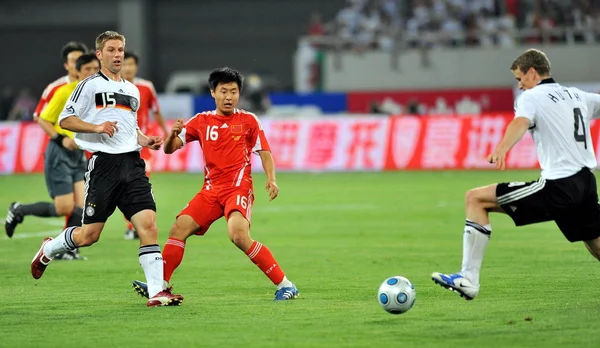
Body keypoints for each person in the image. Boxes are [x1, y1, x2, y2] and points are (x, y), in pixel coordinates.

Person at [29, 30, 183, 307]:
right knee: (89, 235)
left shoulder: (132, 90)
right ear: (99, 54)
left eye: (120, 50)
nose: (117, 55)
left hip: (133, 165)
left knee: (148, 226)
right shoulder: (88, 86)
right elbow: (66, 120)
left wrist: (145, 139)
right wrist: (96, 127)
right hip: (104, 166)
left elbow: (129, 128)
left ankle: (157, 292)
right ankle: (49, 249)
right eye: (111, 50)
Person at [432, 48, 600, 300]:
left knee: (476, 199)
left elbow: (520, 122)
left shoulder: (533, 96)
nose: (520, 85)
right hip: (586, 181)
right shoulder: (577, 95)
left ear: (532, 73)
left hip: (559, 185)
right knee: (593, 239)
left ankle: (468, 279)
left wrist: (501, 148)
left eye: (519, 78)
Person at [131, 67, 299, 301]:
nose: (229, 96)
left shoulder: (248, 120)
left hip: (238, 188)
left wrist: (271, 179)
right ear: (213, 93)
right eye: (223, 91)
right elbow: (170, 148)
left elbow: (265, 151)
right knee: (179, 228)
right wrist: (172, 134)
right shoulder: (201, 121)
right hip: (210, 191)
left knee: (238, 236)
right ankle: (161, 285)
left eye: (233, 91)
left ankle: (286, 285)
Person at [5, 54, 100, 259]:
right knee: (64, 207)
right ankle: (20, 209)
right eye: (87, 69)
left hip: (79, 154)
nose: (92, 73)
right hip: (60, 153)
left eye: (95, 69)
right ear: (76, 71)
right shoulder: (64, 91)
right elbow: (43, 118)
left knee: (82, 206)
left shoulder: (97, 94)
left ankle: (67, 250)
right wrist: (61, 139)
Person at [121, 51, 168, 240]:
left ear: (136, 66)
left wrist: (166, 131)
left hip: (143, 143)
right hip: (121, 144)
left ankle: (134, 226)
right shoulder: (113, 87)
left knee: (140, 181)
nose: (128, 68)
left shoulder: (146, 87)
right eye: (125, 64)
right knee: (123, 185)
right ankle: (132, 224)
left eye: (131, 64)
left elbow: (156, 111)